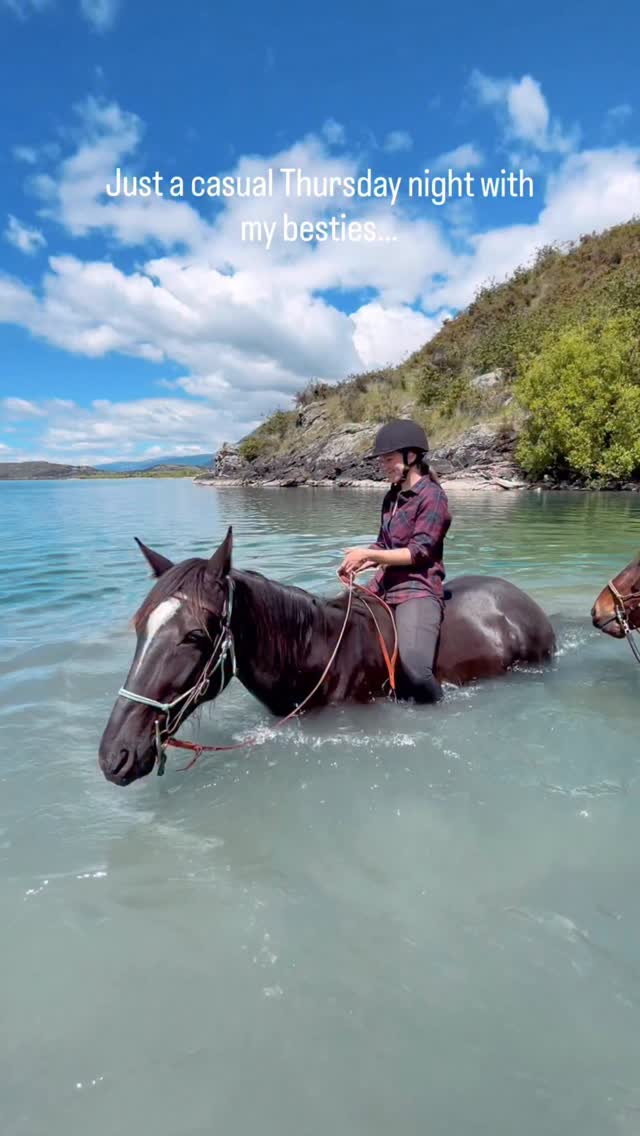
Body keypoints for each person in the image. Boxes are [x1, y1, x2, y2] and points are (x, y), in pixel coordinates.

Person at [337, 419, 451, 703]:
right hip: (384, 583)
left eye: (388, 459)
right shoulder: (392, 497)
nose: (383, 466)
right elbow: (384, 544)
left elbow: (418, 552)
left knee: (415, 669)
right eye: (382, 461)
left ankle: (439, 715)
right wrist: (362, 562)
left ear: (410, 456)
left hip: (417, 587)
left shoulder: (433, 497)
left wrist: (370, 554)